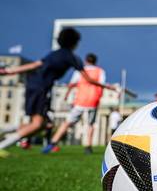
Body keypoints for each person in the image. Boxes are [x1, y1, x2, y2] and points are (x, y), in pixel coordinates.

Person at [0, 28, 114, 157]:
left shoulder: (54, 54)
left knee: (42, 124)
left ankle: (4, 132)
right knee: (37, 124)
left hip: (31, 84)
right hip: (41, 88)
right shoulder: (73, 57)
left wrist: (9, 71)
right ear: (75, 43)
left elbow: (34, 65)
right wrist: (108, 87)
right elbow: (89, 79)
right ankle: (2, 146)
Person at [42, 53, 109, 155]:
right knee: (90, 125)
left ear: (86, 60)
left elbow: (72, 84)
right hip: (93, 101)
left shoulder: (80, 71)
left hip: (80, 101)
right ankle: (88, 147)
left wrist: (66, 95)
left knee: (67, 122)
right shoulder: (100, 71)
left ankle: (52, 143)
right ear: (95, 61)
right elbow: (102, 84)